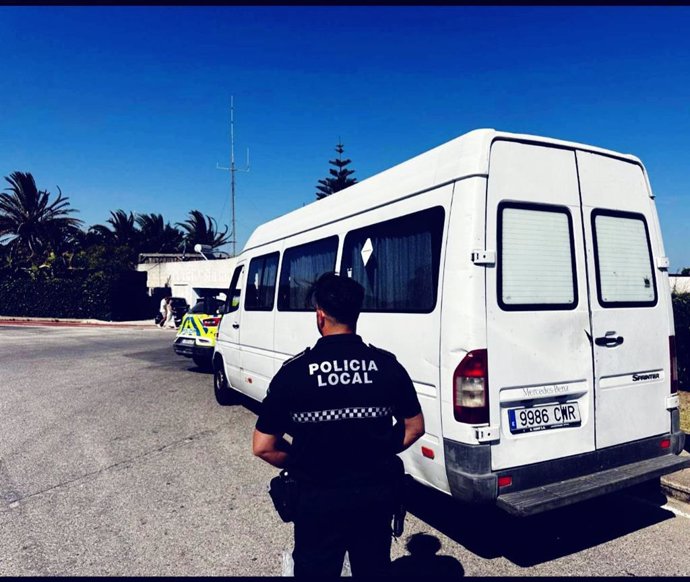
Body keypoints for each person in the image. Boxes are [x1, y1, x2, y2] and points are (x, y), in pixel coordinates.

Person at [253, 272, 425, 577]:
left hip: (317, 498)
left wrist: (304, 463)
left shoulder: (294, 373)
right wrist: (379, 451)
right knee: (372, 570)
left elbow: (263, 446)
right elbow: (414, 427)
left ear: (320, 315)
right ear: (356, 313)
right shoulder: (387, 366)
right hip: (375, 496)